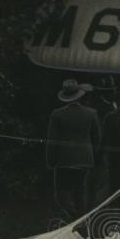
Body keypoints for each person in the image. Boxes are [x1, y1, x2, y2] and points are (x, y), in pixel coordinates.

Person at [46, 79, 101, 221]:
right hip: (84, 159)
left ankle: (71, 216)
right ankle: (80, 217)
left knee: (61, 191)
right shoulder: (91, 113)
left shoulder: (57, 114)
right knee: (80, 190)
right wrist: (92, 156)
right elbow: (97, 139)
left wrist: (51, 160)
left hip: (63, 159)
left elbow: (52, 140)